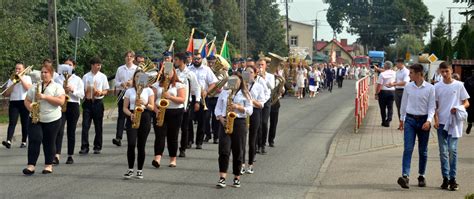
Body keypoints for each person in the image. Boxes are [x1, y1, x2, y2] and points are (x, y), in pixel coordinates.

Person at [397, 63, 436, 189]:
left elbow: (432, 107)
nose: (409, 74)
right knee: (408, 148)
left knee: (423, 150)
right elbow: (403, 104)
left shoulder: (430, 88)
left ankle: (421, 176)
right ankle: (405, 176)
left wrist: (429, 121)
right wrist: (401, 119)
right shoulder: (408, 87)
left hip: (424, 121)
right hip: (410, 120)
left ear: (419, 74)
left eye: (411, 73)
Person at [22, 63, 65, 175]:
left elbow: (61, 101)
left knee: (49, 142)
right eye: (42, 72)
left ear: (51, 74)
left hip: (53, 119)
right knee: (34, 139)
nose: (43, 74)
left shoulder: (57, 86)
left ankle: (48, 165)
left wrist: (45, 97)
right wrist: (30, 107)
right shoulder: (35, 86)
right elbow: (26, 100)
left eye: (46, 72)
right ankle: (31, 166)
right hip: (36, 118)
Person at [433, 62, 469, 191]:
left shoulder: (459, 85)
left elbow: (466, 102)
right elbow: (434, 106)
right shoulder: (436, 86)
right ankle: (445, 178)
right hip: (442, 123)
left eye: (446, 71)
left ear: (451, 70)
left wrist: (458, 107)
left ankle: (453, 179)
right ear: (439, 72)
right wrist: (435, 120)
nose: (444, 74)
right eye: (442, 72)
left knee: (452, 150)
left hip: (454, 123)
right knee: (443, 152)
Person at [215, 74, 253, 188]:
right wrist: (221, 118)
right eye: (231, 80)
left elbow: (250, 110)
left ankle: (237, 177)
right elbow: (217, 108)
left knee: (238, 151)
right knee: (224, 151)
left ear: (240, 82)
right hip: (225, 122)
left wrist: (238, 107)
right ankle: (222, 177)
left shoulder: (245, 94)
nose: (233, 82)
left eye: (235, 80)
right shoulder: (224, 92)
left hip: (239, 122)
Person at [122, 70, 155, 179]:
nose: (138, 79)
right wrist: (130, 115)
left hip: (145, 116)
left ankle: (139, 170)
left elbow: (152, 107)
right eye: (137, 76)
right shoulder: (129, 91)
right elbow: (124, 108)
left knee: (141, 145)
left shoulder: (149, 91)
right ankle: (130, 169)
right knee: (131, 144)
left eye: (141, 77)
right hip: (132, 115)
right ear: (134, 78)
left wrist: (144, 103)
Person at [151, 66, 185, 168]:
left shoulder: (179, 85)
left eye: (169, 72)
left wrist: (170, 97)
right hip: (160, 111)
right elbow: (152, 100)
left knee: (172, 136)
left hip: (175, 112)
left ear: (173, 73)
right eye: (166, 72)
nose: (167, 74)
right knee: (159, 136)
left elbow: (182, 99)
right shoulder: (156, 85)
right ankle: (157, 158)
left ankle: (173, 159)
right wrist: (156, 110)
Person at [53, 59, 84, 164]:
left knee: (71, 131)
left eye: (70, 65)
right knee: (59, 130)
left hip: (73, 104)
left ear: (74, 67)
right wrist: (62, 90)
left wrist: (72, 90)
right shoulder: (58, 79)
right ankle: (57, 154)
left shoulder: (78, 79)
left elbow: (82, 95)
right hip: (61, 104)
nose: (67, 67)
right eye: (65, 65)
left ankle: (70, 155)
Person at [80, 57, 109, 155]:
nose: (99, 67)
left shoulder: (103, 76)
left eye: (100, 65)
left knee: (98, 125)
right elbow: (83, 90)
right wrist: (87, 92)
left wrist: (101, 93)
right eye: (97, 65)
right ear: (92, 65)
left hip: (98, 102)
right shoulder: (85, 76)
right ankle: (84, 146)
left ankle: (97, 146)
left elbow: (106, 90)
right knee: (85, 125)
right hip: (88, 103)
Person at [188, 52, 218, 149]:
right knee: (189, 119)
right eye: (195, 59)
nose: (197, 60)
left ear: (202, 59)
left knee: (202, 120)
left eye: (198, 59)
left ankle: (199, 141)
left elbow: (213, 83)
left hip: (203, 97)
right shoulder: (188, 70)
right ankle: (189, 140)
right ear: (192, 59)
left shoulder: (207, 69)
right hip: (191, 97)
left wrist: (206, 91)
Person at [174, 52, 201, 157]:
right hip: (174, 103)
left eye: (176, 60)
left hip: (186, 104)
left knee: (185, 128)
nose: (174, 62)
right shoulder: (174, 72)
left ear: (182, 61)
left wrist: (197, 101)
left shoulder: (190, 74)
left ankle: (183, 148)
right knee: (175, 128)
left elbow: (196, 87)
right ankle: (174, 148)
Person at [2, 62, 32, 149]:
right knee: (12, 122)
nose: (17, 70)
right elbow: (7, 93)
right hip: (14, 102)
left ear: (24, 69)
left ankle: (23, 141)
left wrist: (21, 79)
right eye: (16, 69)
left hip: (24, 101)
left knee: (25, 122)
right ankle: (8, 141)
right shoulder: (11, 79)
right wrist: (14, 82)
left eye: (19, 69)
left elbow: (28, 88)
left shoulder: (27, 77)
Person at [242, 66, 265, 175]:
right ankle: (241, 164)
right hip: (242, 112)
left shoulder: (259, 86)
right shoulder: (240, 85)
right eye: (246, 72)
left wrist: (250, 99)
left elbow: (261, 104)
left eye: (251, 72)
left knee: (252, 140)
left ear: (255, 74)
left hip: (255, 112)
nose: (248, 74)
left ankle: (250, 164)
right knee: (241, 140)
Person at [113, 51, 138, 147]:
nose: (128, 58)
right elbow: (116, 81)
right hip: (123, 92)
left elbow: (143, 81)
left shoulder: (137, 68)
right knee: (121, 114)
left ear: (133, 58)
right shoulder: (120, 69)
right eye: (127, 56)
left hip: (133, 93)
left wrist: (133, 83)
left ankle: (134, 136)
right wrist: (121, 84)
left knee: (133, 113)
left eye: (130, 56)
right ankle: (118, 137)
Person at [256, 58, 274, 154]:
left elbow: (272, 87)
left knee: (264, 123)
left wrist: (264, 78)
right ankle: (257, 145)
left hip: (266, 101)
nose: (260, 66)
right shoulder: (255, 75)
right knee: (257, 124)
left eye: (262, 65)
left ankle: (263, 144)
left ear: (265, 66)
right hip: (257, 101)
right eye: (259, 65)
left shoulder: (270, 76)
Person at [389, 59, 410, 128]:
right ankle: (401, 123)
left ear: (401, 63)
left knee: (405, 107)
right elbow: (396, 81)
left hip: (404, 91)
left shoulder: (406, 71)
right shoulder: (397, 71)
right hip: (397, 90)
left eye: (397, 63)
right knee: (399, 108)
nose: (396, 65)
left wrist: (394, 84)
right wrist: (391, 84)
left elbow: (405, 82)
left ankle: (406, 123)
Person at [375, 61, 396, 127]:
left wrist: (376, 93)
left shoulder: (382, 74)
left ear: (385, 66)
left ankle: (383, 121)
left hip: (383, 92)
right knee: (390, 107)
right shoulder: (395, 73)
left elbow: (379, 85)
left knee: (382, 108)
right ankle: (388, 120)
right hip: (392, 91)